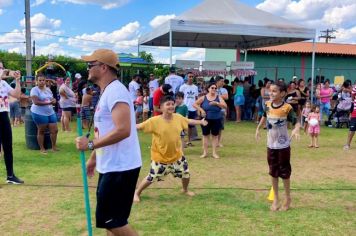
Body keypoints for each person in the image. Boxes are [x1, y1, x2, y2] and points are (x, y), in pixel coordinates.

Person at [76, 49, 141, 235]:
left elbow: (123, 130)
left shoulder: (116, 92)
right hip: (111, 166)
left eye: (91, 64)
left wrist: (89, 145)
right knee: (110, 221)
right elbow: (104, 131)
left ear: (103, 67)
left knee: (113, 222)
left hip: (121, 167)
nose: (88, 68)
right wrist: (94, 158)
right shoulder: (107, 91)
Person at [133, 95, 207, 203]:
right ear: (161, 107)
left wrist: (200, 122)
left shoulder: (178, 117)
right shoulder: (154, 121)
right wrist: (126, 126)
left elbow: (188, 120)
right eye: (168, 104)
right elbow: (139, 126)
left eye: (172, 104)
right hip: (160, 157)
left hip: (177, 155)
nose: (171, 106)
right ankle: (137, 192)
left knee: (186, 174)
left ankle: (185, 189)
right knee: (151, 177)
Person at [255, 81, 300, 212]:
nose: (271, 93)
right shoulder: (267, 104)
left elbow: (296, 121)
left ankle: (288, 198)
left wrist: (296, 129)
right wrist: (258, 128)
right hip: (271, 145)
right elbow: (264, 116)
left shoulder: (287, 108)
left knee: (284, 173)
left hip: (283, 146)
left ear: (283, 93)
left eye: (275, 91)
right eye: (270, 90)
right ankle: (276, 199)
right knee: (273, 172)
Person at [0, 61, 24, 184]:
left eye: (2, 67)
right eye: (0, 68)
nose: (2, 69)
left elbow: (17, 95)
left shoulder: (4, 83)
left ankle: (10, 176)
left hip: (4, 115)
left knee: (8, 146)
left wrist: (18, 81)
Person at [193, 82, 227, 159]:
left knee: (215, 136)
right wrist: (201, 110)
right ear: (208, 89)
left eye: (215, 88)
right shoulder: (203, 97)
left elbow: (225, 106)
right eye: (212, 88)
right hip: (206, 119)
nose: (214, 89)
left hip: (217, 118)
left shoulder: (219, 97)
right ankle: (205, 152)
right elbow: (194, 104)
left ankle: (214, 153)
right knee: (205, 135)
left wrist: (217, 103)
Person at [30, 74, 59, 154]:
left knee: (55, 130)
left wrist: (54, 100)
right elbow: (36, 102)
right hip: (39, 113)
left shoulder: (48, 89)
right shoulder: (34, 90)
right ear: (36, 81)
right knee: (41, 131)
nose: (42, 82)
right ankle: (42, 149)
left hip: (50, 112)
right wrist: (49, 103)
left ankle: (54, 147)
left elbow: (52, 98)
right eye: (40, 80)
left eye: (43, 80)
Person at [179, 72, 199, 146]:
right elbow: (179, 97)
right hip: (184, 108)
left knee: (190, 126)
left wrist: (197, 108)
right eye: (189, 76)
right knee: (182, 126)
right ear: (186, 77)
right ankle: (182, 141)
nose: (191, 78)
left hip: (192, 109)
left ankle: (189, 141)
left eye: (192, 76)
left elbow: (196, 98)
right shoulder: (183, 87)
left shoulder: (195, 87)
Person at [215, 76, 228, 147]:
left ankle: (218, 142)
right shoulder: (212, 88)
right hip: (213, 110)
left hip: (222, 110)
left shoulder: (224, 89)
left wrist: (216, 96)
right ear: (217, 81)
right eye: (222, 81)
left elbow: (226, 97)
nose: (223, 83)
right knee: (212, 127)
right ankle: (214, 141)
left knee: (220, 127)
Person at [343, 85, 356, 150]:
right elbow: (352, 100)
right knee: (352, 129)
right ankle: (348, 144)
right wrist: (351, 113)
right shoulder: (355, 88)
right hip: (355, 112)